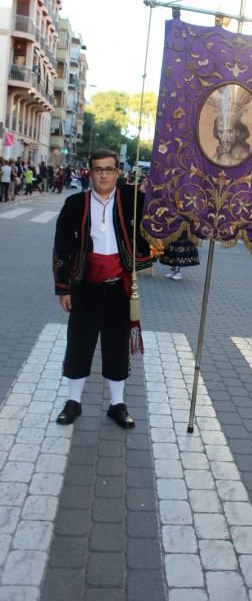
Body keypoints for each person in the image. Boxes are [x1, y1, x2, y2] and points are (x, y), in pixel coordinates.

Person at [53, 148, 153, 428]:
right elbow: (61, 246)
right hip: (84, 287)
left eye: (109, 169)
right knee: (79, 344)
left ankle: (117, 405)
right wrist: (63, 288)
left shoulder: (133, 200)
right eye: (98, 169)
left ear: (118, 172)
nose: (104, 175)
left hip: (119, 288)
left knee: (117, 346)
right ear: (90, 172)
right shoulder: (75, 204)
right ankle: (73, 402)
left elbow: (160, 216)